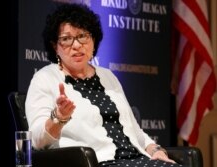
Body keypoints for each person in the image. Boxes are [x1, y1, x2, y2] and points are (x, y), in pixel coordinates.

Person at [25, 3, 185, 167]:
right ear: (55, 46)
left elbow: (134, 130)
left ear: (93, 40)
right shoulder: (44, 78)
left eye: (83, 36)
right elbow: (37, 141)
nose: (77, 45)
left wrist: (155, 150)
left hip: (137, 159)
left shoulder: (107, 76)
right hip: (97, 162)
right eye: (66, 39)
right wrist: (58, 118)